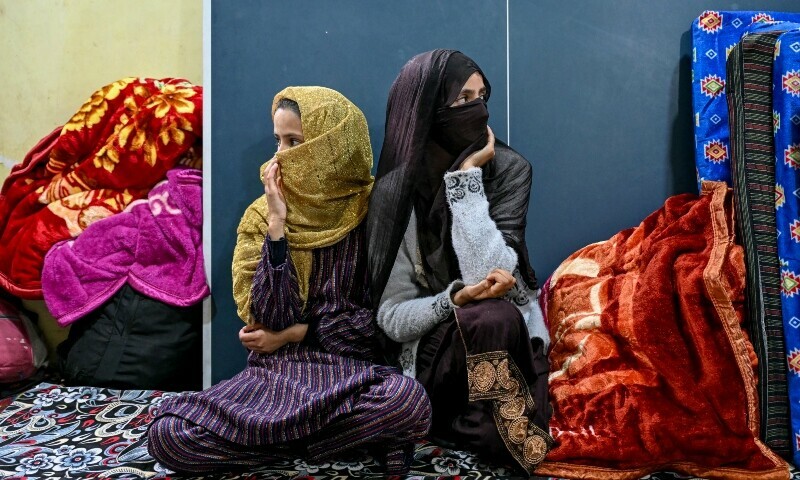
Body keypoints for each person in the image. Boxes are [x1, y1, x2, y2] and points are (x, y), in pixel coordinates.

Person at [147, 86, 431, 475]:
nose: (280, 155)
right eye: (279, 140)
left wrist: (296, 334)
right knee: (170, 436)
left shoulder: (376, 211)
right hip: (276, 376)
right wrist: (278, 228)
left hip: (349, 375)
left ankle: (282, 445)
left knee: (407, 402)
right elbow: (264, 318)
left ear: (331, 146)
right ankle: (322, 445)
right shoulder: (261, 217)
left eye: (295, 141)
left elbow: (373, 324)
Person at [366, 50, 552, 474]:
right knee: (483, 315)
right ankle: (489, 425)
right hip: (441, 351)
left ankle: (494, 426)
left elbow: (492, 272)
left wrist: (466, 179)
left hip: (508, 343)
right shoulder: (395, 193)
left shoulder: (508, 169)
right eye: (462, 99)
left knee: (496, 315)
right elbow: (392, 317)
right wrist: (454, 299)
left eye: (482, 96)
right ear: (427, 108)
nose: (478, 110)